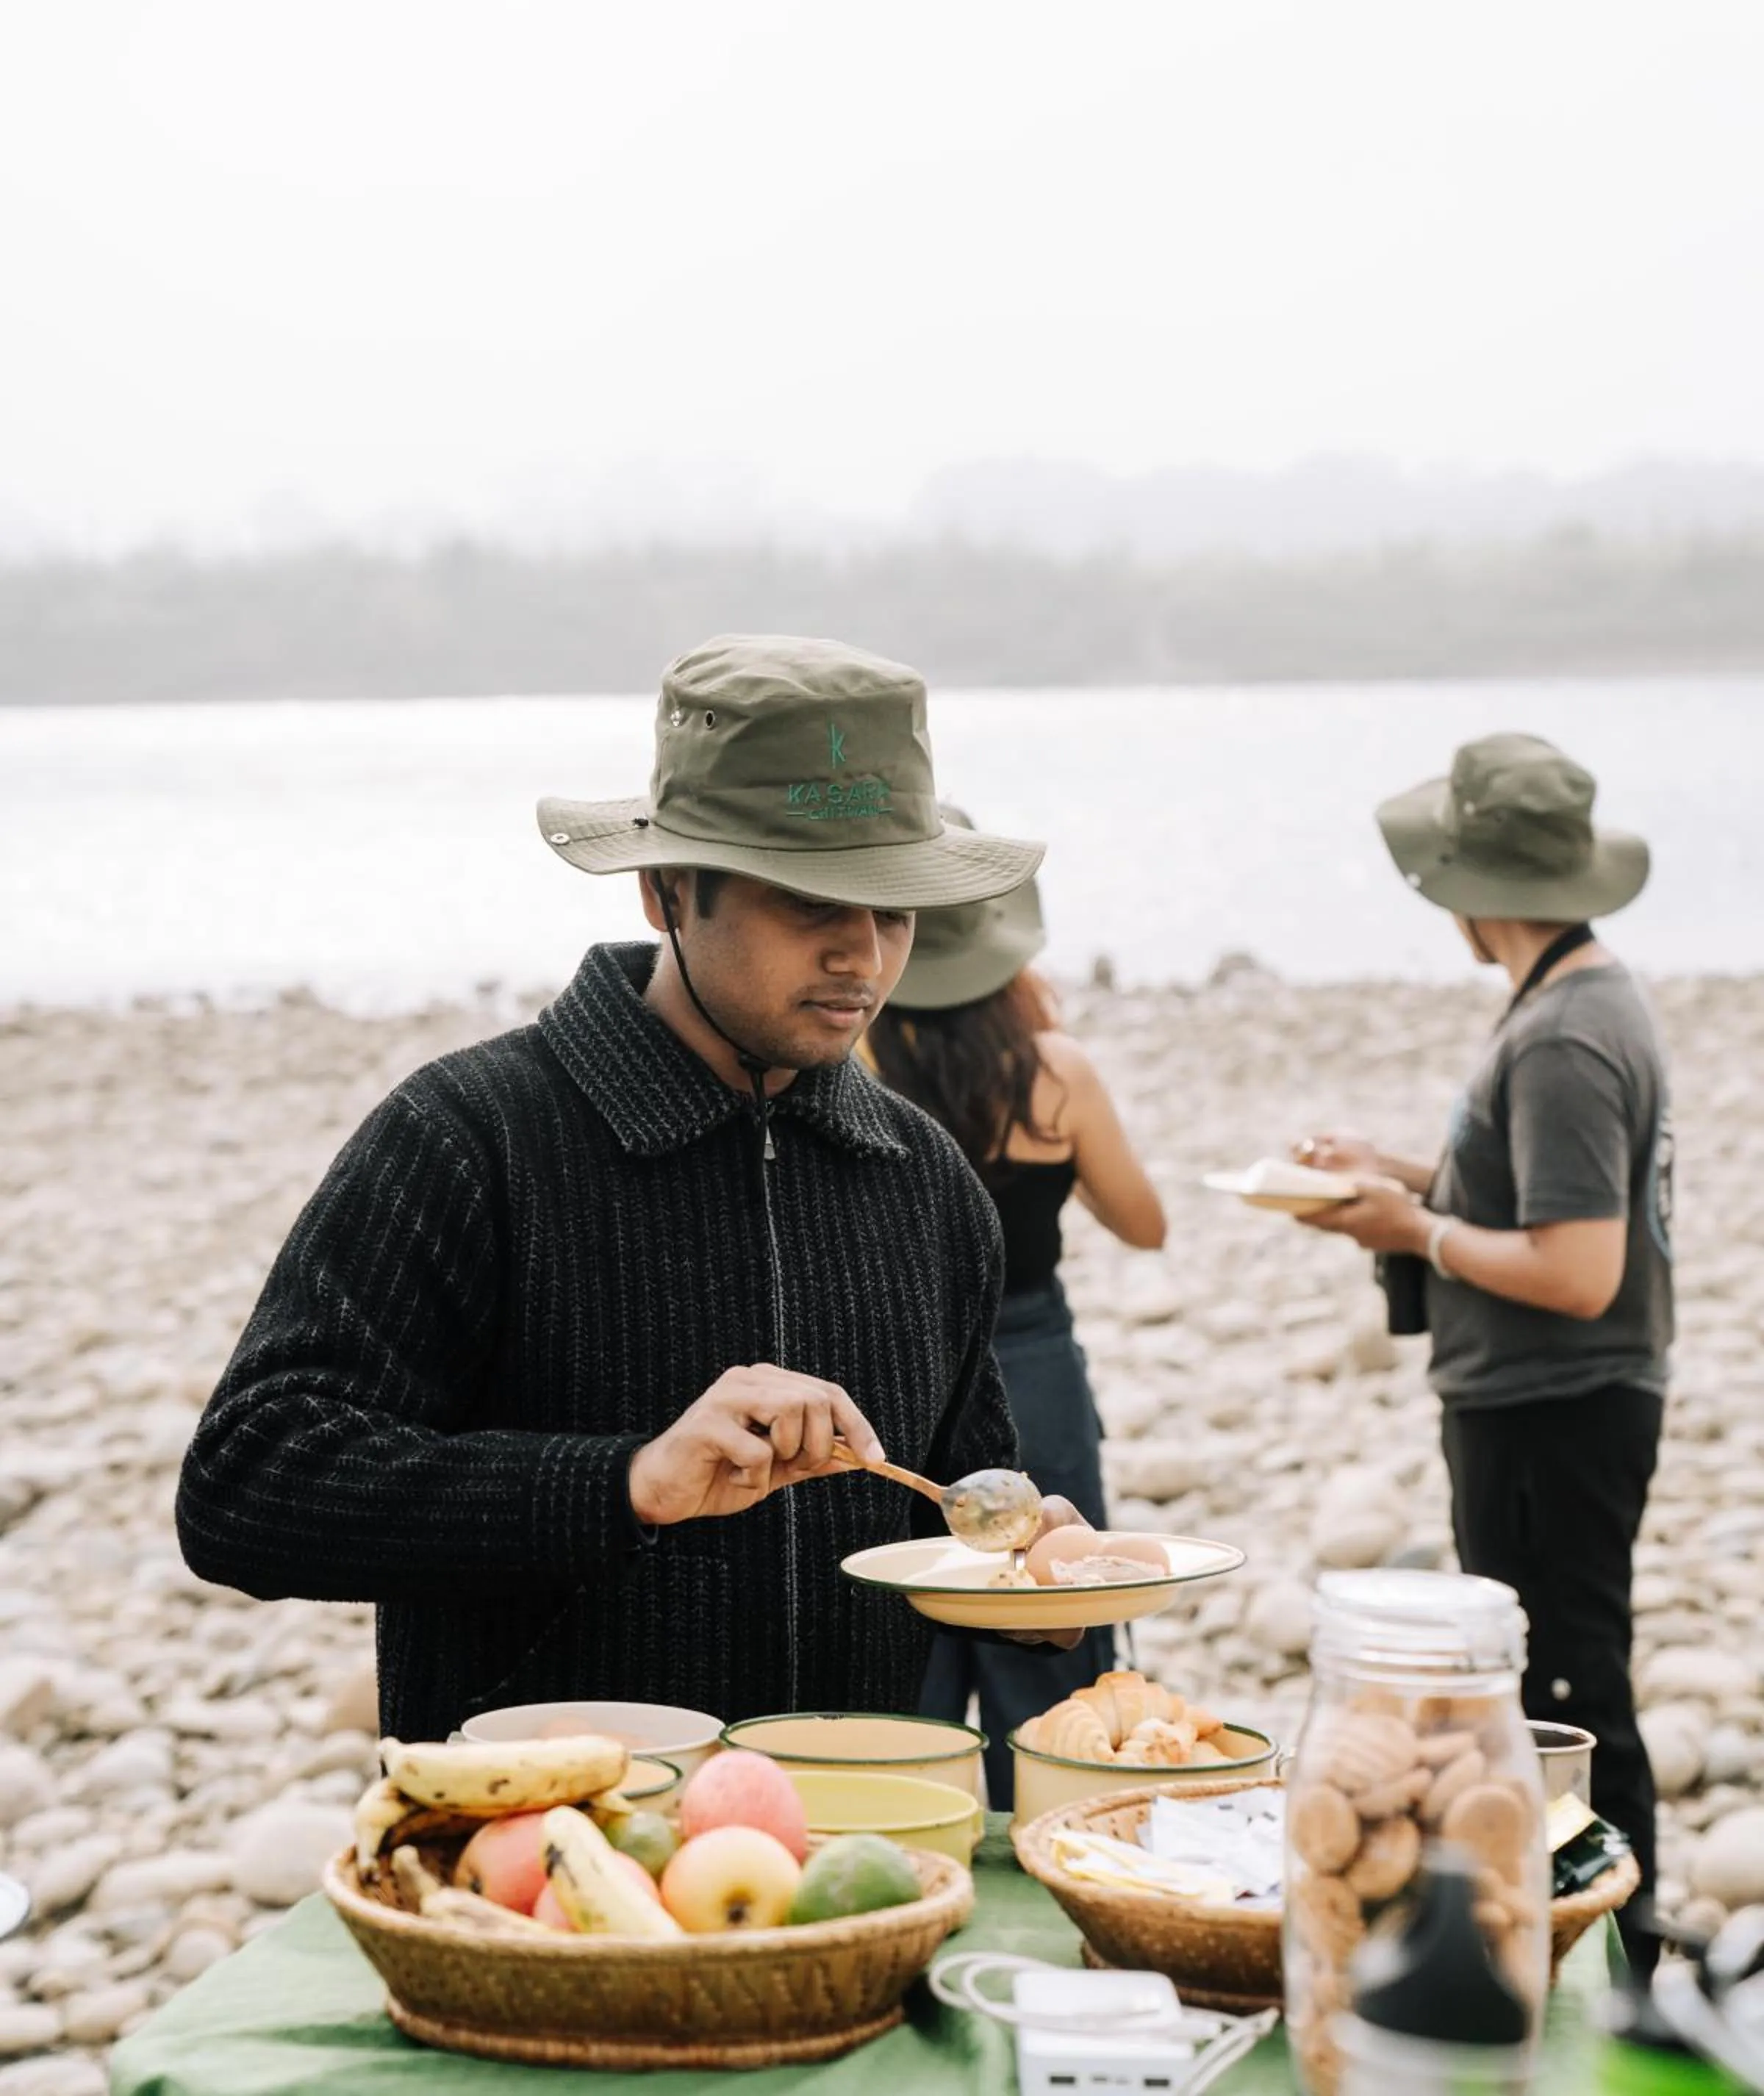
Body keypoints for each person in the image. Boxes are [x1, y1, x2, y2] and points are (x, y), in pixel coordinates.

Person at [175, 635, 1086, 1742]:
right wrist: (627, 1483)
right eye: (812, 901)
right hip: (541, 1860)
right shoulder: (466, 1135)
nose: (864, 953)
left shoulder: (925, 1179)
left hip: (855, 1853)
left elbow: (949, 1507)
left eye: (895, 908)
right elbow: (244, 1489)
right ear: (666, 892)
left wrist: (1040, 1576)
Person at [1294, 733, 1672, 1964]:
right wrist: (1396, 1172)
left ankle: (1620, 1958)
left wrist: (1415, 1229)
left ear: (1476, 888)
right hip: (1551, 1402)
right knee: (1564, 1679)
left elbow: (1577, 1268)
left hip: (1552, 1407)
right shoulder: (1574, 995)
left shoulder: (1565, 1032)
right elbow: (1534, 1193)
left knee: (1566, 1699)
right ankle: (1589, 1942)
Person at [865, 825, 1167, 1806]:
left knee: (907, 1634)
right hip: (1031, 1358)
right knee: (1055, 1607)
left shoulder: (859, 1058)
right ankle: (1062, 1833)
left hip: (898, 1369)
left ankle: (914, 1833)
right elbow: (1143, 1223)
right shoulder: (1054, 1069)